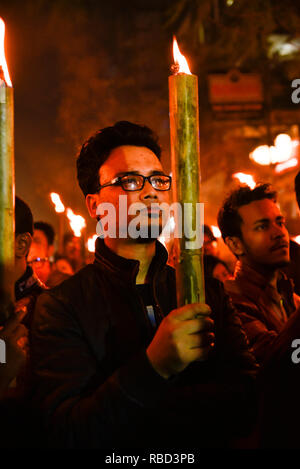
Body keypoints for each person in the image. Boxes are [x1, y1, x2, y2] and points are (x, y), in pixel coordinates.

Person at [30, 121, 257, 449]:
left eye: (159, 180)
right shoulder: (61, 307)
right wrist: (154, 366)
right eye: (131, 180)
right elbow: (69, 432)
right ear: (95, 205)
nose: (151, 191)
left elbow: (247, 402)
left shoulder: (209, 293)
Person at [217, 183, 300, 365]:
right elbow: (279, 360)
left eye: (280, 223)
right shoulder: (231, 303)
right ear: (235, 245)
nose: (279, 233)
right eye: (262, 227)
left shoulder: (291, 297)